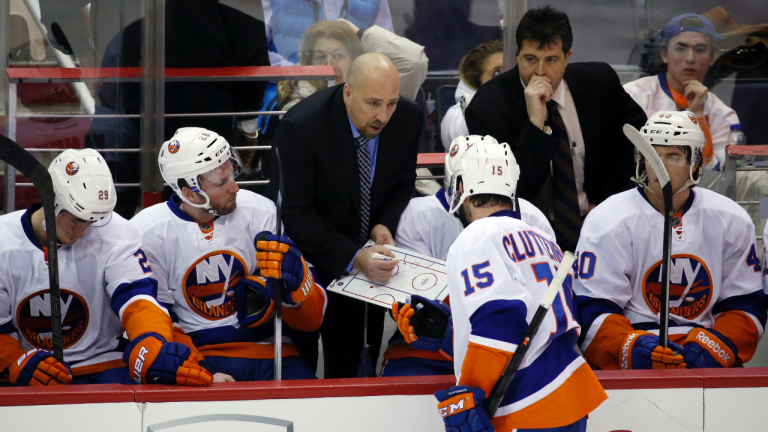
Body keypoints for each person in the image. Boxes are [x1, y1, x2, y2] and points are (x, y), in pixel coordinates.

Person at [435, 138, 606, 432]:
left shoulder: (475, 237)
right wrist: (443, 331)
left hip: (524, 404)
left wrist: (471, 396)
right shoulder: (541, 238)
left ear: (461, 187)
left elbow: (501, 323)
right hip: (569, 396)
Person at [0, 149, 211, 386]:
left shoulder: (115, 232)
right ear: (52, 200)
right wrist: (12, 361)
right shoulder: (3, 242)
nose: (84, 230)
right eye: (77, 219)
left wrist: (150, 341)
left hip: (104, 362)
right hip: (34, 367)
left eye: (93, 220)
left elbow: (138, 299)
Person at [574, 111, 766, 371]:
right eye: (652, 155)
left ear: (696, 162)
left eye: (673, 156)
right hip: (634, 352)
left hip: (704, 344)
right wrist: (630, 347)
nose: (660, 166)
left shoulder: (730, 218)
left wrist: (717, 346)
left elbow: (745, 304)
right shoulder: (608, 219)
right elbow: (591, 309)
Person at [130, 128, 326, 382]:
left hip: (271, 353)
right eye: (221, 183)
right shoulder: (147, 232)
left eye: (231, 174)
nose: (235, 187)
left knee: (309, 407)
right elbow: (160, 322)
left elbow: (312, 322)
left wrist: (299, 286)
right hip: (199, 354)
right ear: (189, 192)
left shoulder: (261, 212)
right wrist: (201, 368)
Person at [271, 53, 422, 377]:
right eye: (373, 103)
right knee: (304, 361)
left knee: (349, 359)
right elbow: (297, 215)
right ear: (348, 91)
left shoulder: (408, 118)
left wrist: (383, 223)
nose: (383, 115)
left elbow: (401, 185)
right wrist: (354, 256)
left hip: (364, 263)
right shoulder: (301, 127)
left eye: (391, 103)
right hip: (311, 261)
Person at [465, 5, 647, 253]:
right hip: (525, 240)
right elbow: (515, 189)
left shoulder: (599, 83)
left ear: (567, 57)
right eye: (531, 59)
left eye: (550, 60)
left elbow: (636, 143)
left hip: (604, 227)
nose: (540, 71)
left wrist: (606, 206)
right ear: (517, 54)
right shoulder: (488, 108)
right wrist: (535, 124)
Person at [381, 135, 554, 378]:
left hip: (514, 345)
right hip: (431, 348)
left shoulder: (533, 219)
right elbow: (415, 306)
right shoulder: (419, 215)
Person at [623, 13, 736, 169]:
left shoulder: (724, 116)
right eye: (680, 48)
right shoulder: (632, 96)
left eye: (700, 49)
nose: (690, 58)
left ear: (713, 57)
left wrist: (697, 116)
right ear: (664, 54)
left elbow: (716, 177)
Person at [263, 0, 394, 66]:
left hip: (355, 92)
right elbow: (255, 53)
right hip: (288, 91)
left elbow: (387, 54)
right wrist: (298, 74)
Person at [440, 41, 503, 151]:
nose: (508, 77)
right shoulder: (457, 114)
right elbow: (459, 132)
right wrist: (474, 116)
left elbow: (543, 131)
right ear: (477, 83)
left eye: (515, 69)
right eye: (497, 73)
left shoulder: (537, 104)